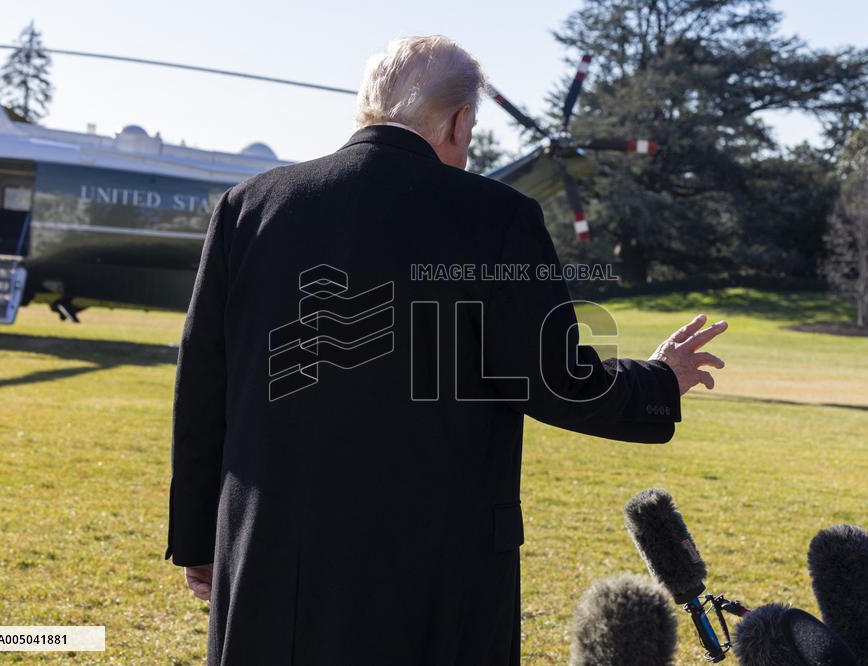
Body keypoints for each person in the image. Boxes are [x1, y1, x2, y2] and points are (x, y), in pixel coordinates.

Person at [165, 35, 726, 665]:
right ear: (461, 121)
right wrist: (658, 380)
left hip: (267, 559)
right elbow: (555, 379)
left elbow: (202, 384)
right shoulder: (500, 216)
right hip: (433, 572)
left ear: (367, 107)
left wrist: (197, 537)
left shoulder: (249, 207)